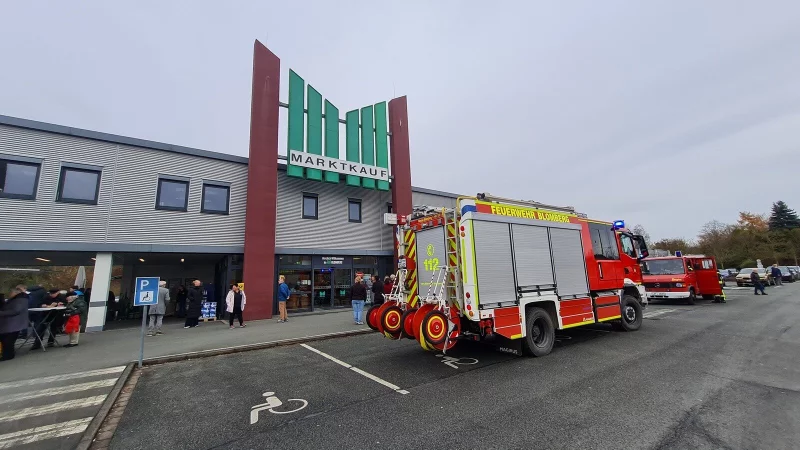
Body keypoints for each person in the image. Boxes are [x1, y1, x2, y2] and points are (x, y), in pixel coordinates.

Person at [0, 285, 30, 361]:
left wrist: (1, 313)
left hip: (14, 323)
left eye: (11, 293)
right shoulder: (18, 299)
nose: (9, 294)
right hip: (12, 323)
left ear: (15, 293)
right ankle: (7, 354)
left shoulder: (20, 299)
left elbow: (16, 311)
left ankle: (8, 355)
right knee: (6, 339)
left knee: (8, 340)